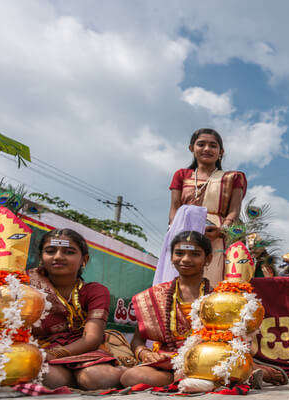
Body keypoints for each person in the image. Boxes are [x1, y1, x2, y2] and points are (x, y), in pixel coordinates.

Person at [29, 229, 124, 390]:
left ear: (84, 260)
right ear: (41, 257)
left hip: (85, 350)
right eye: (51, 251)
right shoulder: (27, 288)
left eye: (69, 252)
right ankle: (73, 381)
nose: (58, 257)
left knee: (97, 378)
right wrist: (42, 355)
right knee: (48, 376)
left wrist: (56, 354)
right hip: (41, 351)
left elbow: (91, 339)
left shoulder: (95, 291)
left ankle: (81, 379)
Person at [121, 231, 213, 387]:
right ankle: (181, 380)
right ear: (171, 257)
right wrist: (144, 353)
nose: (185, 259)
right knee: (130, 377)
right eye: (179, 253)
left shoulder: (218, 297)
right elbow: (137, 340)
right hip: (165, 362)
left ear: (208, 259)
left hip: (206, 362)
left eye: (195, 254)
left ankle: (191, 380)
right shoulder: (155, 296)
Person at [168, 128, 247, 286]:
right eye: (201, 144)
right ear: (192, 148)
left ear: (221, 151)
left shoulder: (233, 178)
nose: (207, 149)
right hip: (183, 233)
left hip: (216, 236)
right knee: (179, 280)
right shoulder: (181, 175)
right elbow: (174, 208)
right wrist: (179, 232)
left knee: (213, 280)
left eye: (213, 145)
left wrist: (221, 231)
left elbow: (234, 211)